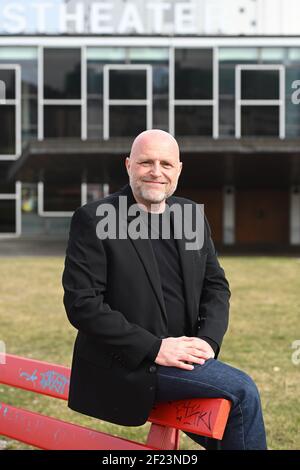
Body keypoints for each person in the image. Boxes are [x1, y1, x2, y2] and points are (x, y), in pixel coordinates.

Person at [62, 129, 267, 450]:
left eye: (166, 164)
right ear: (128, 165)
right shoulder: (96, 218)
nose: (157, 172)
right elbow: (83, 304)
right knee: (241, 391)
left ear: (179, 170)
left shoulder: (189, 216)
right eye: (146, 162)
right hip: (131, 364)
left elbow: (216, 287)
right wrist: (154, 347)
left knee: (229, 421)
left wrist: (207, 342)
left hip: (184, 359)